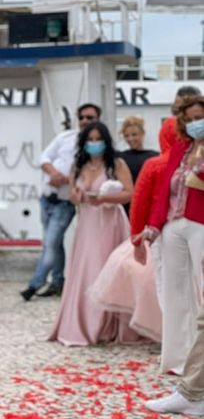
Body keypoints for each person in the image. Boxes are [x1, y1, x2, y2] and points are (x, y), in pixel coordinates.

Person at [48, 122, 139, 346]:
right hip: (87, 223)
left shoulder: (115, 165)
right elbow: (72, 195)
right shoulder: (77, 167)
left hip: (110, 221)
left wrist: (104, 199)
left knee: (106, 267)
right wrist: (77, 196)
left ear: (105, 141)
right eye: (91, 140)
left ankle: (108, 324)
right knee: (86, 269)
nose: (94, 144)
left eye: (99, 139)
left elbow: (130, 193)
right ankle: (84, 322)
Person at [88, 120, 179, 342]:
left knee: (162, 282)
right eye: (127, 134)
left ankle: (172, 335)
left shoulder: (156, 162)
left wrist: (138, 235)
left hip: (156, 227)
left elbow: (141, 200)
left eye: (134, 133)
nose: (131, 137)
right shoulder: (170, 163)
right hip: (162, 226)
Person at [137, 95, 204, 374]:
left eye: (198, 117)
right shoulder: (180, 149)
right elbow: (164, 190)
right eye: (188, 120)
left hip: (200, 222)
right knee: (174, 294)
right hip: (173, 226)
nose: (194, 124)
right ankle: (179, 360)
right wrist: (152, 226)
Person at [21, 103, 102, 301]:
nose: (85, 121)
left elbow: (92, 172)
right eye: (82, 117)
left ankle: (34, 284)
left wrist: (67, 179)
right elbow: (44, 157)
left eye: (90, 118)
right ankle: (57, 282)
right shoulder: (65, 137)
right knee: (55, 245)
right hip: (46, 199)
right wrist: (54, 173)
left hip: (65, 203)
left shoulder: (95, 145)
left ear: (97, 119)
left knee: (50, 243)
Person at [117, 116, 158, 215]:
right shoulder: (120, 157)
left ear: (142, 134)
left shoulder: (153, 156)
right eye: (127, 136)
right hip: (126, 206)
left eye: (134, 135)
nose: (130, 139)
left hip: (147, 204)